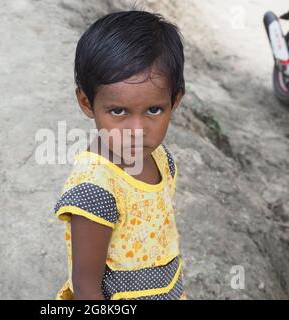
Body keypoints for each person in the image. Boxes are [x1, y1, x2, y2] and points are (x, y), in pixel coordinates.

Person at [53, 10, 186, 300]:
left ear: (174, 101)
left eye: (154, 110)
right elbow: (86, 286)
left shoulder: (160, 157)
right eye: (118, 111)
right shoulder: (96, 189)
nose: (137, 130)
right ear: (87, 103)